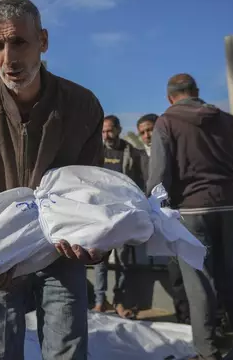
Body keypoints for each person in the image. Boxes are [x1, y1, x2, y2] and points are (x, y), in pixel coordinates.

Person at [0, 0, 104, 360]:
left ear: (43, 41)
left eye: (18, 42)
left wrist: (94, 242)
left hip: (61, 253)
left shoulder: (82, 106)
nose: (8, 58)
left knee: (67, 350)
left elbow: (94, 192)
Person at [147, 73, 233, 360]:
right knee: (226, 272)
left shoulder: (166, 122)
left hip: (191, 209)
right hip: (229, 206)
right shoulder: (226, 119)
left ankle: (207, 351)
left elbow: (159, 173)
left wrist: (156, 209)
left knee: (198, 281)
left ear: (170, 97)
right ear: (196, 91)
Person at [137, 113, 191, 325]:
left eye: (150, 129)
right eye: (142, 132)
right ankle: (184, 318)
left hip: (181, 214)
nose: (147, 135)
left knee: (196, 270)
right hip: (162, 221)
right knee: (175, 272)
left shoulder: (173, 150)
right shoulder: (138, 156)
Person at [93, 115, 143, 317]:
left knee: (123, 260)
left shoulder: (129, 151)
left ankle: (120, 301)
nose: (107, 135)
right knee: (99, 259)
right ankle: (99, 301)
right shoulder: (97, 150)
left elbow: (138, 180)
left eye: (110, 130)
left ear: (119, 129)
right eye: (103, 131)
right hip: (100, 213)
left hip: (123, 213)